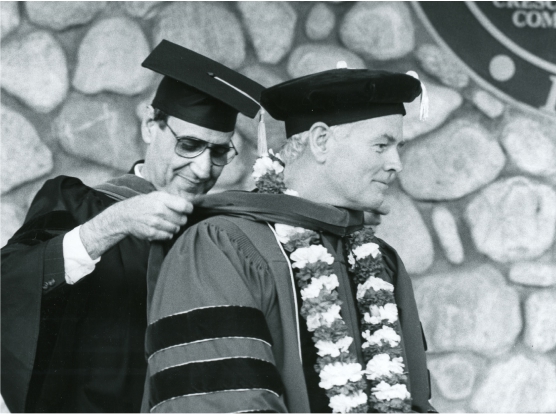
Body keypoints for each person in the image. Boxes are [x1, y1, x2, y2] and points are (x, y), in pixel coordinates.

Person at [143, 67, 436, 413]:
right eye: (381, 145)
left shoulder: (379, 261)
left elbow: (411, 399)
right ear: (321, 141)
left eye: (397, 147)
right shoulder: (221, 247)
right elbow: (223, 403)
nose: (396, 163)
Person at [1, 40, 265, 413]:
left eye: (219, 151)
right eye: (189, 145)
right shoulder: (79, 205)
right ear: (149, 127)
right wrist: (113, 224)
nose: (204, 169)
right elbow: (9, 283)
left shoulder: (219, 234)